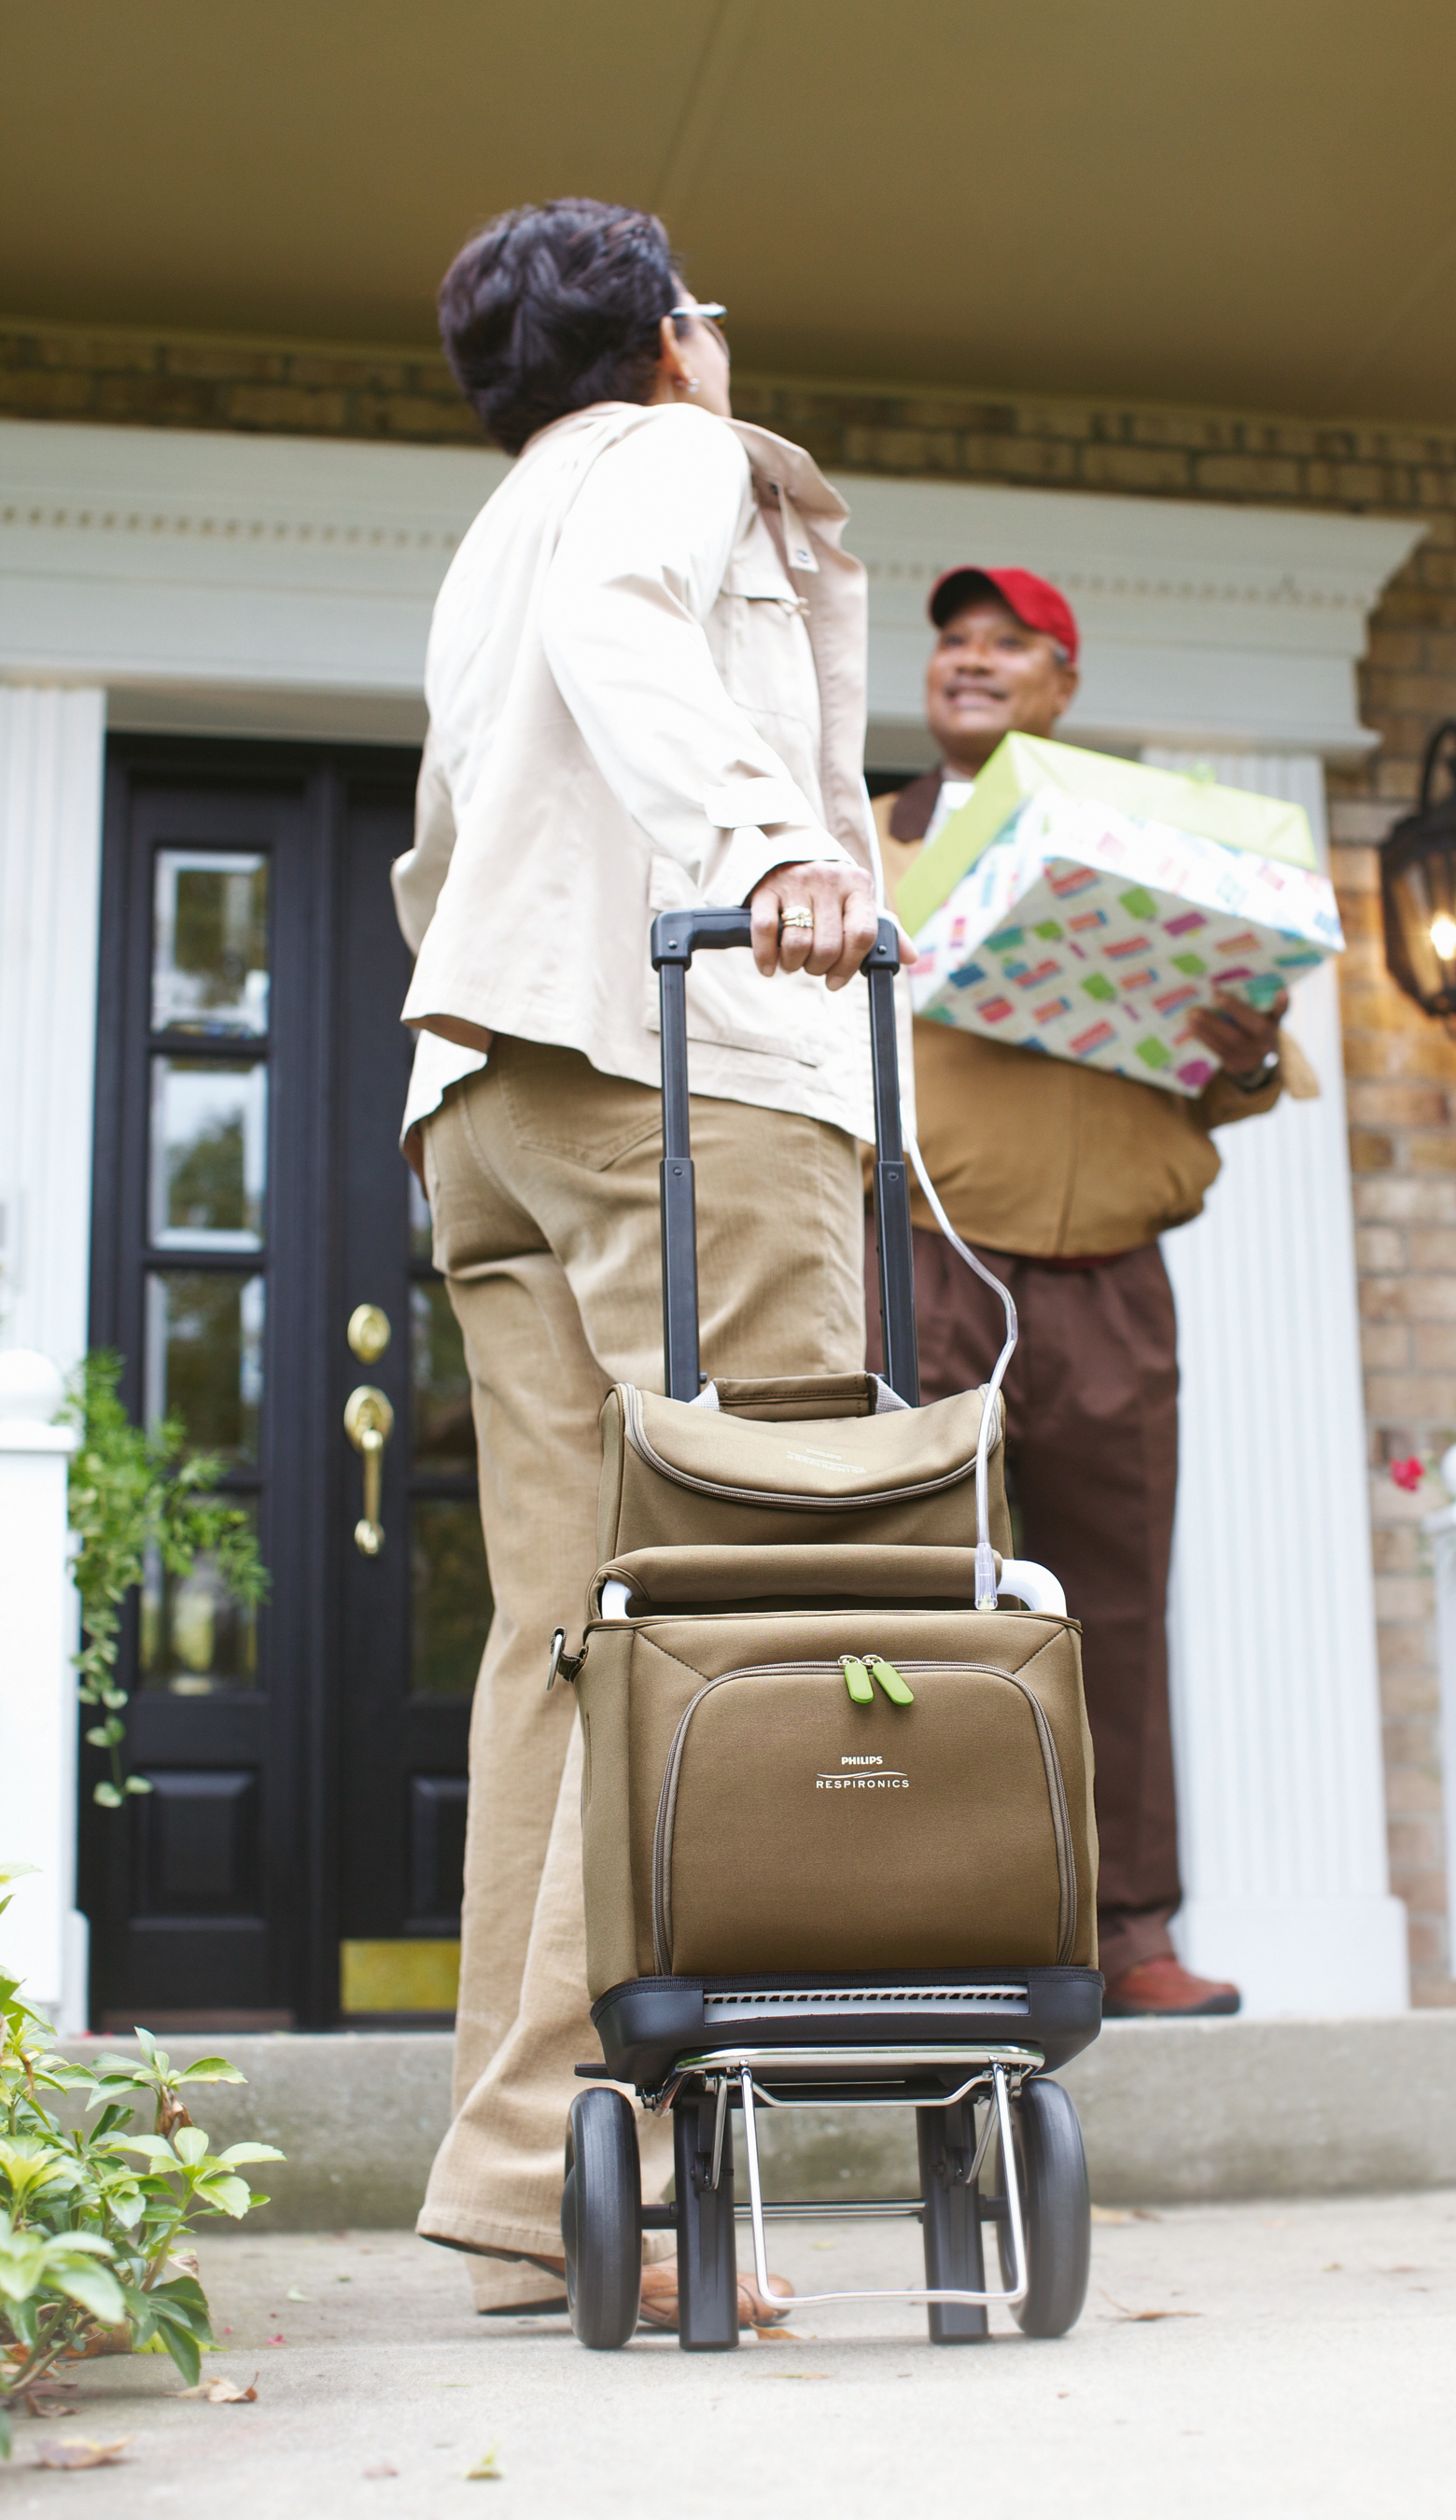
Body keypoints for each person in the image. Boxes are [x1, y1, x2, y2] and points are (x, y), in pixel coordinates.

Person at [393, 198, 880, 2323]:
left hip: (489, 1094)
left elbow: (446, 837)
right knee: (733, 1607)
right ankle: (636, 2173)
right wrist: (769, 836)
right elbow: (637, 627)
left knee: (559, 1640)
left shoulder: (491, 526)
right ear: (671, 338)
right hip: (680, 1077)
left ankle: (527, 2186)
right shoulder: (669, 462)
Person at [870, 567, 1315, 2018]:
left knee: (1114, 1612)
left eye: (1011, 646)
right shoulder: (857, 849)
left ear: (1064, 686)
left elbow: (1245, 1083)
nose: (974, 662)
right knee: (940, 1598)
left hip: (1117, 1282)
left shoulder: (1147, 846)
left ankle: (1131, 1938)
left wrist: (1244, 1044)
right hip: (934, 1257)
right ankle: (939, 1923)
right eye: (954, 642)